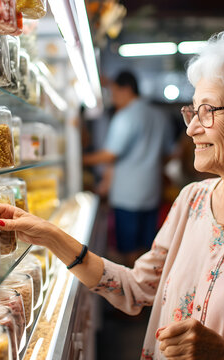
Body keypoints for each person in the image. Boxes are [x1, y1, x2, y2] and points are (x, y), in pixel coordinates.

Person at [0, 30, 224, 359]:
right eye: (192, 111)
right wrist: (50, 236)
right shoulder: (192, 201)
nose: (192, 128)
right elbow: (135, 290)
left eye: (208, 111)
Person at [82, 70, 175, 266]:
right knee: (147, 248)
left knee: (130, 250)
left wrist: (80, 160)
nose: (113, 98)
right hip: (152, 192)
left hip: (127, 196)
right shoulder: (159, 115)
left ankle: (136, 293)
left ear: (126, 89)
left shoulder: (125, 116)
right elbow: (169, 152)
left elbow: (110, 154)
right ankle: (149, 291)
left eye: (114, 92)